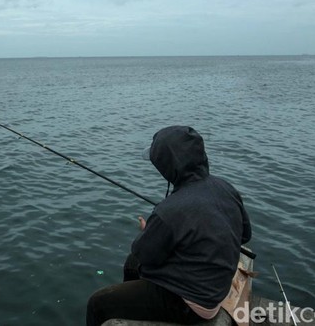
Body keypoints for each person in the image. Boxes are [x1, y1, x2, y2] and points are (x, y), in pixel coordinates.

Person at [86, 126, 251, 326]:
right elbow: (245, 235)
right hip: (214, 288)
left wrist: (149, 232)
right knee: (132, 263)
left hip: (192, 304)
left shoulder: (170, 210)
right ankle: (133, 311)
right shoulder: (226, 188)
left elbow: (145, 255)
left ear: (168, 166)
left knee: (98, 302)